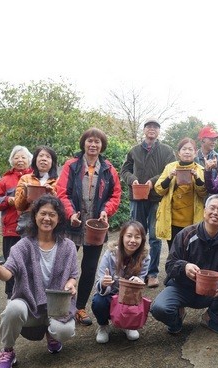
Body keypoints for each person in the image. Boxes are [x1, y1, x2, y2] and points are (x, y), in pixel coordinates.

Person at [0, 195, 78, 368]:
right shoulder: (22, 246)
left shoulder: (68, 247)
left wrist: (71, 284)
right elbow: (7, 274)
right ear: (35, 216)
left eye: (52, 214)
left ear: (59, 218)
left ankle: (52, 334)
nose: (47, 218)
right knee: (13, 309)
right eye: (43, 213)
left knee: (65, 330)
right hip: (29, 304)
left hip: (56, 308)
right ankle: (7, 350)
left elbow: (73, 275)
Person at [57, 128, 122, 326]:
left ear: (102, 146)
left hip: (96, 227)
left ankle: (80, 308)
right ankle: (59, 306)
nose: (93, 145)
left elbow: (115, 195)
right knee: (65, 265)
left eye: (97, 142)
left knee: (90, 267)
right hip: (72, 225)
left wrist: (106, 211)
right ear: (83, 143)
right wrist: (70, 214)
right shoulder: (72, 165)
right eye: (90, 141)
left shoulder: (108, 169)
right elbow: (61, 192)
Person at [151, 194, 218, 334]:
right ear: (204, 211)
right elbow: (169, 265)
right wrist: (184, 266)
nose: (215, 212)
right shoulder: (186, 234)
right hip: (183, 288)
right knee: (160, 308)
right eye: (212, 208)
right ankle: (176, 318)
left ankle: (211, 319)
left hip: (212, 291)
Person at [120, 118, 175, 288]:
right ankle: (135, 270)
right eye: (149, 127)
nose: (152, 129)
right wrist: (133, 180)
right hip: (137, 198)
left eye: (155, 127)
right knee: (136, 235)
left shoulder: (167, 151)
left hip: (157, 198)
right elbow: (125, 170)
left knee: (155, 236)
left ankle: (152, 273)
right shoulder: (134, 150)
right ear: (144, 131)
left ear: (159, 132)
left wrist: (152, 181)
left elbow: (170, 171)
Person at [91, 220, 150, 343]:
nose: (133, 240)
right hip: (110, 294)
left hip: (130, 297)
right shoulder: (110, 254)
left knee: (134, 336)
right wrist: (103, 283)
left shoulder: (145, 257)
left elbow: (142, 279)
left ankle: (127, 324)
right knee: (98, 301)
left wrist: (139, 282)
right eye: (129, 236)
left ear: (142, 239)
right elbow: (99, 281)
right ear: (122, 236)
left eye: (137, 237)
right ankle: (103, 325)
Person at [0, 145, 33, 299]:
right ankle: (11, 297)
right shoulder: (5, 180)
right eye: (16, 157)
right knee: (10, 263)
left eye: (23, 157)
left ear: (29, 160)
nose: (20, 160)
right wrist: (9, 200)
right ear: (11, 161)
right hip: (11, 230)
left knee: (30, 264)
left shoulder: (34, 178)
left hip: (31, 230)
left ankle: (30, 298)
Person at [154, 137, 207, 251]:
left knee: (191, 251)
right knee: (173, 250)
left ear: (195, 152)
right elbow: (159, 189)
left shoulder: (200, 170)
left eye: (190, 149)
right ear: (178, 153)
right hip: (172, 220)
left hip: (193, 221)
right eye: (184, 149)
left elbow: (203, 193)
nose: (187, 152)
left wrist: (197, 178)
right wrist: (169, 177)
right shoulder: (170, 167)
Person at [14, 146, 59, 236]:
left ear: (52, 162)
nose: (43, 159)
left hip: (50, 222)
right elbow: (18, 206)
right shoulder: (25, 179)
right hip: (28, 223)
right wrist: (25, 193)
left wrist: (52, 194)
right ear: (35, 160)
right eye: (41, 156)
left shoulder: (58, 181)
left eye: (47, 157)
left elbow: (62, 205)